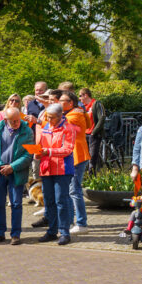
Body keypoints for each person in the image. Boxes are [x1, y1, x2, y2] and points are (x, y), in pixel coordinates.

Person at [0, 107, 33, 245]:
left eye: (18, 120)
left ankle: (15, 234)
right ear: (6, 120)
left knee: (16, 204)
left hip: (16, 172)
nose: (17, 123)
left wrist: (13, 167)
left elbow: (28, 154)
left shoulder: (27, 131)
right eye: (13, 121)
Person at [35, 103, 77, 245]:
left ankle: (64, 232)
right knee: (49, 200)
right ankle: (52, 231)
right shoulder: (46, 126)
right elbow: (41, 144)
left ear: (60, 116)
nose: (48, 119)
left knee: (61, 200)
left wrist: (49, 151)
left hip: (62, 169)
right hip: (46, 167)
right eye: (47, 116)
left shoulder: (68, 128)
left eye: (51, 117)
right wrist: (37, 152)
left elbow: (68, 149)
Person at [58, 91, 91, 235]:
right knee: (71, 190)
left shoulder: (75, 114)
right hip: (73, 154)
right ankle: (71, 221)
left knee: (74, 189)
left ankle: (82, 223)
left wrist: (40, 119)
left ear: (70, 103)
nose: (59, 103)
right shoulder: (76, 112)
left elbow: (59, 124)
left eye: (61, 101)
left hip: (77, 154)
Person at [79, 88, 105, 171]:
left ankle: (92, 178)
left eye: (80, 96)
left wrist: (94, 132)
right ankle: (85, 176)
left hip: (93, 135)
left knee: (92, 157)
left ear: (85, 95)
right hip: (84, 134)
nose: (79, 98)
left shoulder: (96, 103)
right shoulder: (83, 107)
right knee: (83, 157)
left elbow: (102, 117)